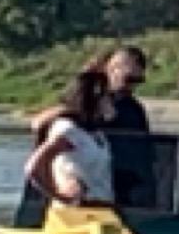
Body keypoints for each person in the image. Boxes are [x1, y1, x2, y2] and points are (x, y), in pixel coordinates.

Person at [24, 63, 117, 213]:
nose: (111, 101)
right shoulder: (69, 130)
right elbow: (33, 167)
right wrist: (58, 195)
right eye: (108, 96)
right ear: (96, 98)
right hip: (76, 212)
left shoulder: (97, 133)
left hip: (101, 209)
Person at [93, 44, 156, 208]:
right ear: (110, 70)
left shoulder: (134, 108)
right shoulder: (89, 103)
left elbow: (145, 152)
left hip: (129, 185)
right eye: (129, 79)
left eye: (137, 81)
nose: (132, 86)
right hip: (97, 183)